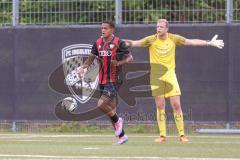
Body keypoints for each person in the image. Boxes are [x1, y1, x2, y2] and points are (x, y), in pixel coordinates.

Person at [124, 19, 224, 142]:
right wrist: (119, 42)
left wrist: (208, 42)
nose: (158, 28)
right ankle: (162, 136)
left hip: (170, 75)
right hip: (156, 77)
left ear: (167, 29)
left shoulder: (173, 38)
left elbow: (191, 42)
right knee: (160, 105)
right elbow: (134, 43)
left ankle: (182, 135)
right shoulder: (151, 39)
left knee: (176, 105)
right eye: (157, 26)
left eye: (161, 27)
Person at [77, 20, 133, 144]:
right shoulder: (97, 43)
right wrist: (83, 67)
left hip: (114, 79)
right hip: (102, 79)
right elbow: (90, 60)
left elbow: (130, 58)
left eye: (105, 28)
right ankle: (122, 137)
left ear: (112, 29)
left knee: (101, 104)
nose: (103, 30)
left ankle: (119, 121)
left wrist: (118, 63)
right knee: (110, 110)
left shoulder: (119, 43)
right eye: (102, 28)